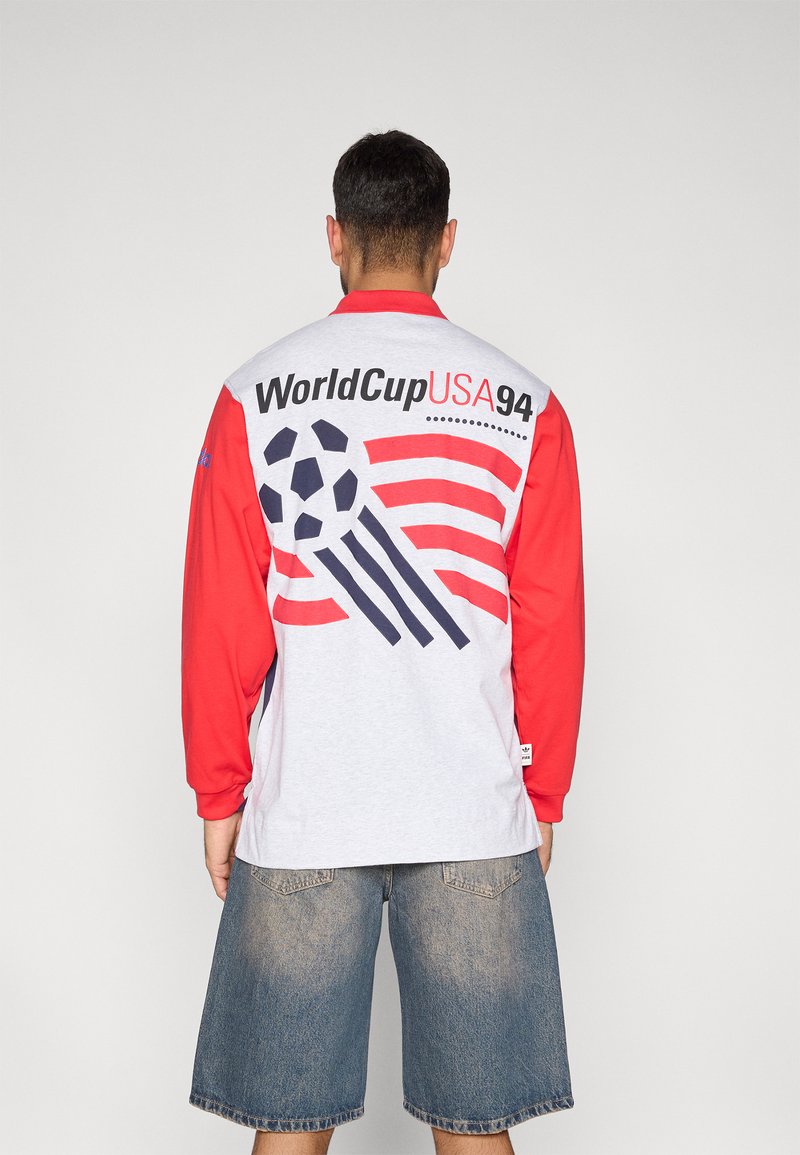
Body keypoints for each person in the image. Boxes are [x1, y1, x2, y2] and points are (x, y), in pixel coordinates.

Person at [181, 128, 585, 1155]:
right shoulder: (526, 405)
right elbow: (549, 621)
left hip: (305, 808)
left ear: (334, 236)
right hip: (469, 807)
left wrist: (219, 792)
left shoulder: (251, 394)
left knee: (287, 1127)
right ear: (446, 240)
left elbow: (220, 617)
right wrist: (542, 792)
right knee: (476, 1129)